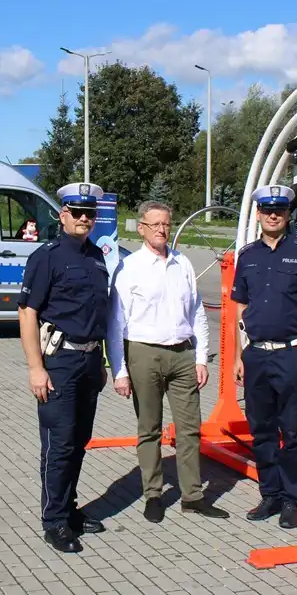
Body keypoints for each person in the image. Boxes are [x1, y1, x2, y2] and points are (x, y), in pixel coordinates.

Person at [106, 201, 230, 523]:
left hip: (182, 355)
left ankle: (193, 496)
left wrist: (201, 357)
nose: (162, 230)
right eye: (155, 224)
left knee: (190, 429)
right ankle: (154, 494)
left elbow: (197, 312)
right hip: (144, 354)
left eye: (166, 224)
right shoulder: (129, 267)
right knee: (149, 428)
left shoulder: (183, 264)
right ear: (142, 228)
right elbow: (115, 323)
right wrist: (119, 371)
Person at [17, 182, 110, 554]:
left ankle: (70, 510)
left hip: (88, 361)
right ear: (63, 215)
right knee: (59, 444)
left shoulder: (97, 257)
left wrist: (101, 360)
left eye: (90, 213)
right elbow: (27, 313)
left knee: (79, 442)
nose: (84, 219)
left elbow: (97, 313)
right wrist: (35, 368)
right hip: (58, 361)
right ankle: (53, 520)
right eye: (77, 212)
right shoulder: (47, 257)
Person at [231, 184, 297, 529]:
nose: (273, 215)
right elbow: (240, 307)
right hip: (256, 354)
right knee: (261, 430)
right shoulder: (247, 255)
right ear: (258, 214)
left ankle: (292, 499)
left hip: (292, 354)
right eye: (267, 209)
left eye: (280, 210)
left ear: (288, 214)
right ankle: (269, 494)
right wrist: (239, 355)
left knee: (293, 429)